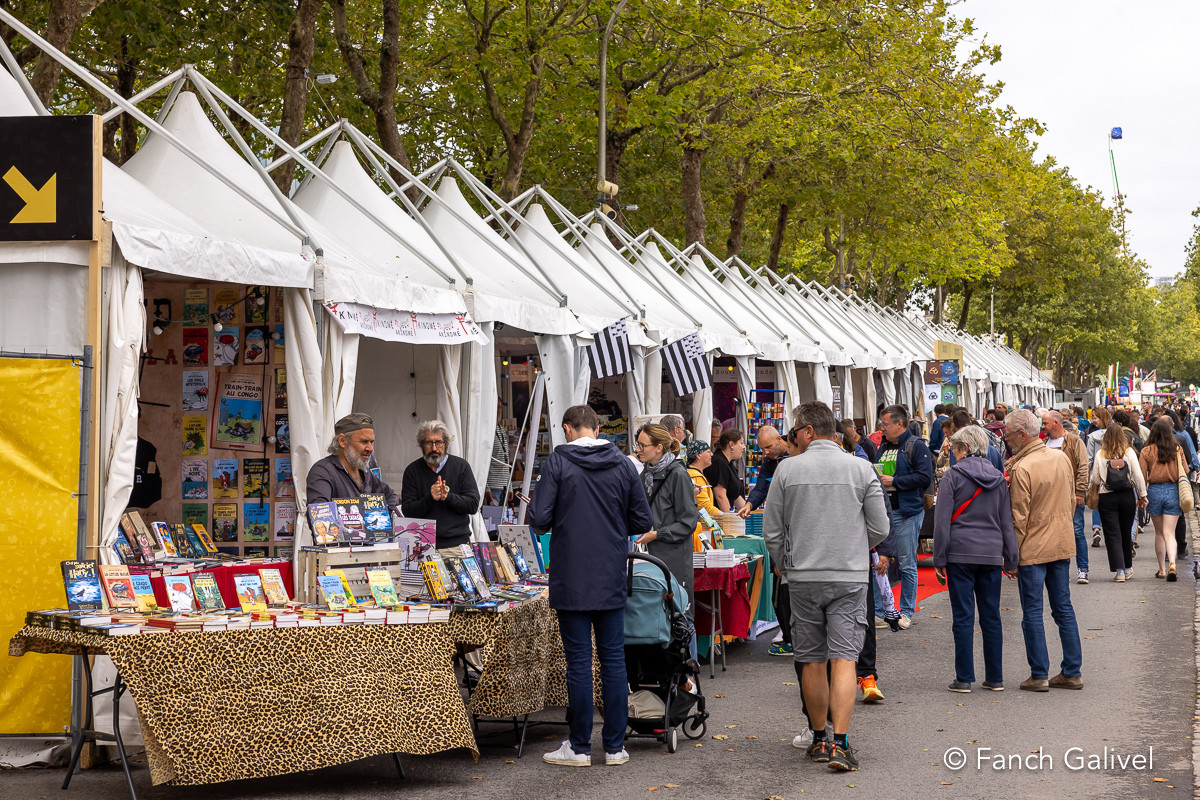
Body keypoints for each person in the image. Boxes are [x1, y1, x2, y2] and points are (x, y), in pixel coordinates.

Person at [763, 402, 889, 772]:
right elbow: (881, 527)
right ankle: (841, 743)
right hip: (848, 575)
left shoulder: (787, 470)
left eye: (794, 431)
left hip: (803, 576)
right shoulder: (861, 467)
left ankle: (819, 738)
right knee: (845, 659)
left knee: (812, 660)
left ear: (807, 431)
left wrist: (785, 564)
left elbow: (772, 530)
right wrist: (852, 545)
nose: (791, 437)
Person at [529, 405, 653, 767]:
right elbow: (642, 519)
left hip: (571, 575)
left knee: (580, 663)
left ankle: (580, 746)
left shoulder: (558, 462)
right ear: (597, 429)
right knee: (614, 660)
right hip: (610, 573)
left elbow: (537, 518)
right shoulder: (622, 464)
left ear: (568, 428)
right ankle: (615, 746)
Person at [932, 426, 1019, 693]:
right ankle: (995, 677)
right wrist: (1011, 558)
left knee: (963, 616)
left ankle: (964, 678)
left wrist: (939, 558)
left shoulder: (953, 477)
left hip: (960, 553)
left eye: (955, 449)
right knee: (991, 616)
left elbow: (942, 521)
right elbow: (1006, 522)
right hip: (991, 554)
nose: (953, 454)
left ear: (965, 449)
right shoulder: (998, 477)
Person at [1003, 409, 1083, 692]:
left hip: (1034, 548)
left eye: (1009, 434)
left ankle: (1039, 674)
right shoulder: (1060, 457)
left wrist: (1011, 557)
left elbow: (1018, 517)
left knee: (1033, 612)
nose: (1006, 439)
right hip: (1061, 542)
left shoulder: (1022, 467)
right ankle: (1072, 671)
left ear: (1022, 435)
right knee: (1063, 609)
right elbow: (1071, 500)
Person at [635, 423, 700, 651]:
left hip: (674, 558)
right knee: (657, 615)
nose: (639, 449)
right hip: (651, 556)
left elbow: (688, 522)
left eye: (643, 445)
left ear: (659, 447)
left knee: (681, 615)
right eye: (638, 444)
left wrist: (657, 534)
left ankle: (689, 676)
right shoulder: (645, 474)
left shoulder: (678, 474)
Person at [874, 404, 934, 630]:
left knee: (907, 563)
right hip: (884, 512)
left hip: (906, 511)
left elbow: (924, 477)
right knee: (880, 562)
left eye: (886, 424)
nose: (882, 428)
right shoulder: (883, 445)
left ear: (900, 424)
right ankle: (880, 611)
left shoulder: (916, 446)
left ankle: (906, 611)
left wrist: (895, 481)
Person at [399, 420, 481, 551]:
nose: (434, 448)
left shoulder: (461, 467)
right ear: (421, 445)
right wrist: (430, 499)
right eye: (428, 443)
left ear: (446, 443)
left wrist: (447, 497)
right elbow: (407, 510)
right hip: (421, 546)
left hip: (456, 545)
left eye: (438, 442)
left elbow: (473, 505)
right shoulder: (412, 471)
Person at [1089, 422, 1147, 581]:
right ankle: (1128, 567)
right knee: (1125, 531)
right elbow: (1138, 475)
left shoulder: (1101, 453)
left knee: (1112, 534)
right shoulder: (1128, 452)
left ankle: (1120, 571)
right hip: (1127, 495)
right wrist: (1142, 495)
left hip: (1107, 496)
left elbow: (1094, 478)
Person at [306, 412, 400, 509]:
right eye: (364, 442)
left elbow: (390, 496)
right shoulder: (323, 471)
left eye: (371, 442)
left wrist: (381, 519)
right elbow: (318, 512)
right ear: (342, 441)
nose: (370, 448)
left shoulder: (364, 473)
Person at [1041, 411, 1090, 584]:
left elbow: (1083, 466)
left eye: (1045, 423)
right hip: (1049, 497)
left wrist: (1079, 492)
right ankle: (1056, 570)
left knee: (1076, 531)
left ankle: (1082, 569)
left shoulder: (1074, 442)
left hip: (1070, 495)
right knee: (1053, 532)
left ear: (1056, 423)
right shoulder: (1043, 443)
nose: (1043, 426)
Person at [1139, 418, 1186, 581]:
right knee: (1170, 533)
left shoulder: (1146, 451)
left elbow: (1141, 475)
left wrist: (1141, 495)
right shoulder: (1177, 449)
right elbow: (1185, 470)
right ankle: (1172, 562)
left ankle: (1161, 569)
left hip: (1154, 491)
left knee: (1159, 533)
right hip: (1173, 491)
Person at [740, 425, 790, 517]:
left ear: (779, 439)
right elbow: (761, 488)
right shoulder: (769, 460)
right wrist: (749, 505)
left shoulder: (797, 449)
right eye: (762, 449)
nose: (766, 452)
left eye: (768, 447)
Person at [685, 440, 722, 554]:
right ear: (698, 455)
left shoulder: (695, 474)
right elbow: (705, 508)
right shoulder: (695, 477)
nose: (712, 454)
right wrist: (726, 517)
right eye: (708, 451)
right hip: (700, 530)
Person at [704, 428, 748, 512]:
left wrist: (748, 511)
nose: (743, 447)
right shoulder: (719, 462)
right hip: (718, 518)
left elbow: (735, 496)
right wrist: (729, 520)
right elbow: (720, 496)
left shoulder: (729, 463)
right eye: (741, 443)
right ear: (731, 444)